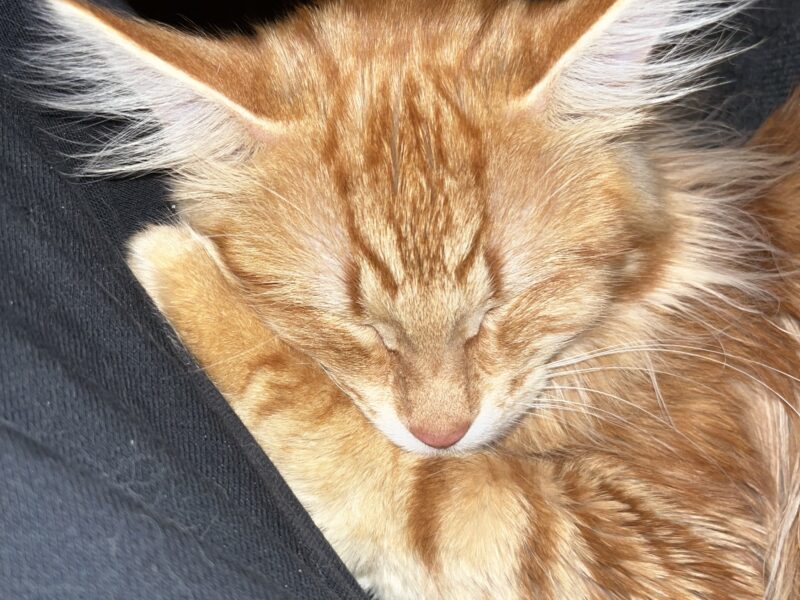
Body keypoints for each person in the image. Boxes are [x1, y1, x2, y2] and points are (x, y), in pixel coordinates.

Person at [0, 0, 796, 597]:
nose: (440, 414)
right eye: (359, 327)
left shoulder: (690, 361)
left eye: (502, 314)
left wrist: (319, 435)